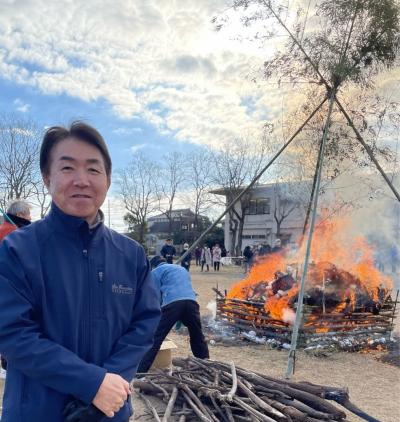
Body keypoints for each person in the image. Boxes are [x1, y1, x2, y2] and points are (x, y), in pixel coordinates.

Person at [0, 122, 161, 422]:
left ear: (108, 180)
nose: (81, 180)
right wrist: (90, 383)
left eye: (93, 169)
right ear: (47, 178)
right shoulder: (17, 250)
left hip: (108, 413)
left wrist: (107, 386)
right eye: (67, 168)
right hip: (36, 411)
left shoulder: (130, 254)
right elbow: (12, 332)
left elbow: (144, 324)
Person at [137, 256, 209, 373]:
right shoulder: (182, 269)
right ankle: (206, 366)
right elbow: (186, 289)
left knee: (156, 338)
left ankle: (140, 371)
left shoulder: (155, 272)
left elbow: (155, 296)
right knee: (197, 336)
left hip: (172, 304)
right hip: (192, 302)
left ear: (153, 266)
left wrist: (156, 314)